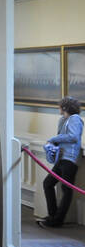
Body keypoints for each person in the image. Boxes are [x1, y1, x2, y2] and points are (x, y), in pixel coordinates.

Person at [38, 97, 84, 229]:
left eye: (60, 107)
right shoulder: (65, 120)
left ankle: (57, 220)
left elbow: (73, 137)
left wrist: (53, 138)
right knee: (48, 183)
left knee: (66, 189)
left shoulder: (75, 119)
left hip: (70, 159)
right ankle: (52, 215)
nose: (58, 109)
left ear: (64, 107)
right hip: (62, 158)